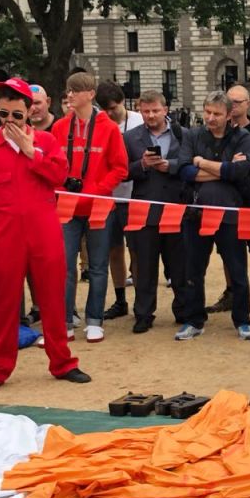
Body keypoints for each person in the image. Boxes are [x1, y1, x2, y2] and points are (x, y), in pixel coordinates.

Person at [0, 79, 90, 395]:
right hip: (5, 233)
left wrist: (29, 150)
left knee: (52, 299)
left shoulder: (47, 142)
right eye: (4, 114)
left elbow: (59, 176)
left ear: (29, 113)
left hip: (44, 229)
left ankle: (63, 363)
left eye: (16, 115)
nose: (10, 121)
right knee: (5, 303)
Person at [51, 70, 128, 342]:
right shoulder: (60, 127)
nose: (70, 95)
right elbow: (55, 164)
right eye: (68, 90)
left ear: (91, 94)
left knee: (97, 265)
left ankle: (95, 319)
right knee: (65, 265)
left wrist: (95, 191)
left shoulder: (108, 127)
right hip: (68, 207)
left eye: (76, 90)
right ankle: (65, 320)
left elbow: (120, 168)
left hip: (98, 206)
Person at [176, 91, 250, 341]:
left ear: (229, 114)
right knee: (193, 269)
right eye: (207, 112)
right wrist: (221, 169)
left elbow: (240, 172)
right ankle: (193, 319)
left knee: (237, 269)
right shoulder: (192, 135)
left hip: (230, 212)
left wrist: (201, 162)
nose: (210, 118)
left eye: (217, 114)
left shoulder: (243, 137)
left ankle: (242, 320)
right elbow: (184, 170)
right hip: (196, 211)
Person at [122, 89, 188, 333]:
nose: (150, 115)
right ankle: (143, 313)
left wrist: (168, 166)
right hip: (144, 207)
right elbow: (122, 171)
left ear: (165, 110)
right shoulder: (130, 138)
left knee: (179, 264)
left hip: (175, 205)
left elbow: (190, 163)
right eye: (146, 111)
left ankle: (183, 309)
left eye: (155, 110)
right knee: (145, 265)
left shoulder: (184, 134)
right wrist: (142, 165)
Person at [205, 85, 250, 316]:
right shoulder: (219, 132)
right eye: (230, 101)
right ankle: (231, 291)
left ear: (248, 104)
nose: (234, 105)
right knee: (227, 250)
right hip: (226, 199)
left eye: (238, 101)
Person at [96, 80, 144, 321]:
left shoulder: (138, 122)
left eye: (113, 108)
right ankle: (120, 300)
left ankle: (139, 301)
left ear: (123, 102)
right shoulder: (99, 124)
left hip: (133, 196)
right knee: (114, 251)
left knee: (135, 250)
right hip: (108, 199)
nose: (110, 113)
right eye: (105, 109)